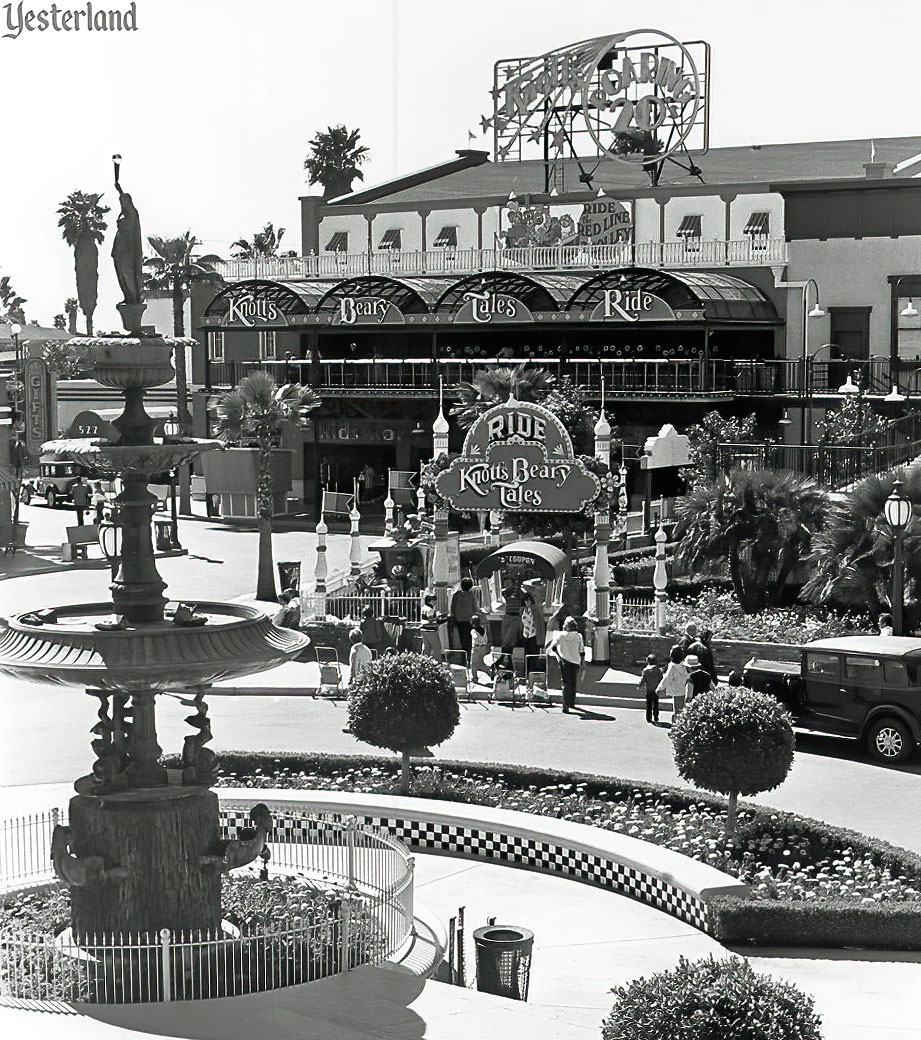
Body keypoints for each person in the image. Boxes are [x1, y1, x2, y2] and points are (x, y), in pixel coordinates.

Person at [549, 617, 585, 713]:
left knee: (565, 683)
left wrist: (559, 657)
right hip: (576, 662)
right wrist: (583, 662)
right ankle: (571, 702)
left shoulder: (560, 636)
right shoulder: (579, 636)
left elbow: (553, 647)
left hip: (564, 661)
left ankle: (565, 704)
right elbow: (582, 651)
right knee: (573, 682)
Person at [659, 644, 690, 718]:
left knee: (677, 712)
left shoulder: (672, 666)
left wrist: (660, 688)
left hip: (677, 692)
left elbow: (667, 678)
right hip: (686, 690)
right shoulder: (685, 665)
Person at [450, 577, 477, 656]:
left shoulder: (456, 595)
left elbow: (452, 607)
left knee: (461, 637)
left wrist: (453, 616)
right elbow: (475, 607)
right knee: (469, 637)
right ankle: (468, 653)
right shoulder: (472, 595)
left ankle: (463, 653)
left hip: (459, 619)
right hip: (469, 619)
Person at [639, 654, 663, 724]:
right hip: (656, 690)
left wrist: (640, 685)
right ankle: (656, 717)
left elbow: (643, 680)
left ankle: (649, 718)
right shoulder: (658, 670)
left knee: (649, 705)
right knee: (656, 704)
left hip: (649, 690)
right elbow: (661, 678)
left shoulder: (645, 670)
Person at [520, 591, 546, 657]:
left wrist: (542, 637)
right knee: (526, 655)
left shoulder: (536, 610)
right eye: (526, 600)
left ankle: (534, 667)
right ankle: (527, 667)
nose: (528, 602)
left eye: (529, 600)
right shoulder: (522, 610)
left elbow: (541, 623)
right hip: (525, 635)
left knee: (533, 654)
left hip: (534, 635)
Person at [500, 584, 523, 653]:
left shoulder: (520, 594)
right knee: (504, 638)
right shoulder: (505, 593)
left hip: (515, 617)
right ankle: (506, 657)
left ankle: (506, 655)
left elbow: (522, 596)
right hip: (507, 616)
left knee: (509, 639)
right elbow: (502, 594)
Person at [420, 594, 443, 658]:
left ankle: (423, 662)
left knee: (426, 647)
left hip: (423, 629)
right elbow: (431, 621)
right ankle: (439, 662)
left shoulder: (423, 608)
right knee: (436, 647)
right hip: (430, 630)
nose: (435, 602)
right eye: (433, 600)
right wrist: (438, 619)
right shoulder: (430, 609)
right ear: (429, 601)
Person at [470, 616, 492, 683]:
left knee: (473, 664)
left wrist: (476, 643)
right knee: (481, 663)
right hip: (483, 647)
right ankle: (490, 672)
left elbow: (475, 637)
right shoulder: (483, 629)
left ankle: (475, 678)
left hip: (477, 647)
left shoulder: (473, 630)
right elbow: (486, 638)